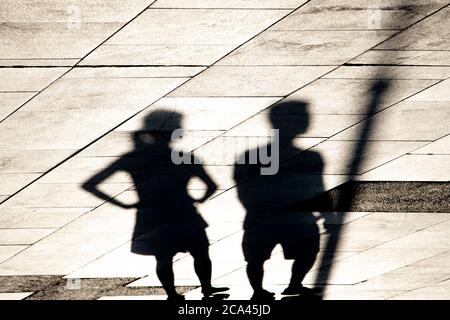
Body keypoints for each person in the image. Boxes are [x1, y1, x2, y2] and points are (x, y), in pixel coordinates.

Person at [83, 110, 227, 301]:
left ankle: (171, 294)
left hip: (152, 214)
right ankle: (207, 288)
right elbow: (211, 186)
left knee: (163, 257)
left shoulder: (133, 159)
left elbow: (91, 184)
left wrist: (124, 204)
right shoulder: (184, 157)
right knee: (200, 252)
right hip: (183, 211)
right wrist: (197, 199)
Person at [234, 101, 331, 300]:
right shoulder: (310, 157)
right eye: (302, 116)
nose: (306, 120)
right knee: (305, 250)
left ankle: (263, 290)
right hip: (292, 216)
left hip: (266, 216)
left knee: (257, 257)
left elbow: (243, 188)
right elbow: (317, 187)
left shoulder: (252, 155)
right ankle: (291, 285)